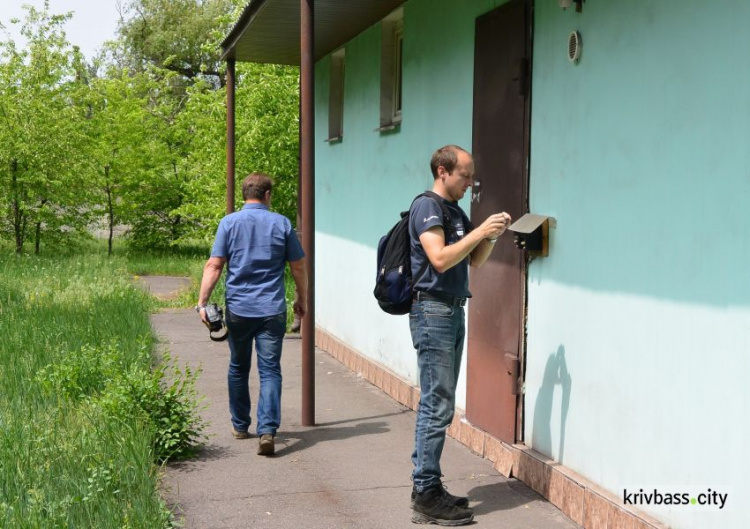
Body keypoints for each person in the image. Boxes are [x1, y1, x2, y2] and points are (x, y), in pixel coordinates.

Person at [409, 145, 511, 525]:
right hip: (432, 309)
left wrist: (491, 237)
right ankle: (424, 492)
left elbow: (473, 260)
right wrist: (480, 230)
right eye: (465, 175)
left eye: (471, 175)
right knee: (437, 404)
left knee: (442, 402)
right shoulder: (427, 207)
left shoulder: (454, 211)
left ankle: (430, 485)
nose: (471, 182)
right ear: (442, 171)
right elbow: (439, 258)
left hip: (452, 308)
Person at [197, 172, 307, 456]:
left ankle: (240, 424)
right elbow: (298, 267)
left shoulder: (229, 223)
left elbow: (214, 265)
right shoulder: (281, 223)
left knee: (238, 366)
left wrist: (202, 303)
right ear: (267, 195)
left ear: (245, 194)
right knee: (270, 370)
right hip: (271, 309)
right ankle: (267, 430)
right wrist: (301, 298)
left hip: (239, 309)